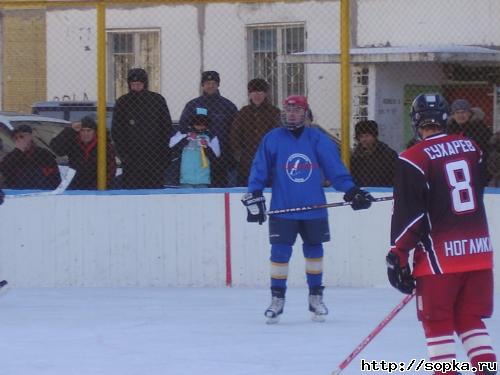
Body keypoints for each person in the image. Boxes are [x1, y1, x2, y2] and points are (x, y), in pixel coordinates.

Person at [386, 93, 496, 375]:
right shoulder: (472, 147)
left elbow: (412, 216)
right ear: (445, 117)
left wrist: (398, 253)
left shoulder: (412, 158)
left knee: (438, 324)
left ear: (416, 121)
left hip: (440, 260)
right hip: (478, 253)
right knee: (470, 319)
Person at [242, 95, 374, 324]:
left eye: (296, 110)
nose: (291, 114)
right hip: (283, 208)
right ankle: (277, 299)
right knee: (279, 253)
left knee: (314, 251)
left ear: (305, 113)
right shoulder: (272, 139)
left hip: (314, 207)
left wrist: (352, 191)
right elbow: (259, 169)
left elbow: (335, 169)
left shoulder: (317, 139)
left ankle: (315, 297)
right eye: (288, 109)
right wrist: (254, 192)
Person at [111, 68, 173, 189]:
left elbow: (166, 129)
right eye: (133, 84)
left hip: (155, 160)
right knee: (132, 194)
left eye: (139, 84)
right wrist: (124, 156)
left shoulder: (157, 100)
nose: (136, 87)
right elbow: (117, 132)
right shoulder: (123, 102)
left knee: (154, 194)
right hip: (132, 162)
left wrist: (164, 157)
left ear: (145, 84)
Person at [179, 71, 237, 187]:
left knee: (219, 189)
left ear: (218, 85)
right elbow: (183, 128)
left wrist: (231, 155)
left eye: (213, 83)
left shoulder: (228, 106)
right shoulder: (192, 105)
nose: (210, 86)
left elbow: (234, 131)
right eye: (207, 83)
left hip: (220, 158)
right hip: (197, 159)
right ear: (202, 85)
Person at [230, 78, 280, 186]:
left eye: (260, 92)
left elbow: (278, 135)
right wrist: (239, 154)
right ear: (250, 94)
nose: (257, 95)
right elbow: (235, 135)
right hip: (247, 161)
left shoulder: (274, 112)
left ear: (265, 94)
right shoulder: (243, 112)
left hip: (269, 160)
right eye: (253, 92)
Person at [50, 115, 117, 189]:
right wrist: (70, 130)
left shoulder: (104, 146)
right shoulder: (73, 143)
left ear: (94, 132)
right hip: (75, 185)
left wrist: (105, 186)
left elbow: (111, 169)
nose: (86, 134)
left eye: (89, 130)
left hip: (98, 186)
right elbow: (56, 149)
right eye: (83, 130)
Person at [169, 107, 221, 187]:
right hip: (185, 178)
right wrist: (186, 139)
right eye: (197, 123)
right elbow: (171, 146)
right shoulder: (183, 133)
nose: (200, 126)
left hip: (203, 178)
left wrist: (206, 147)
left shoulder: (210, 136)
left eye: (203, 124)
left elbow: (216, 155)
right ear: (192, 123)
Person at [0, 125, 61, 189]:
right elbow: (5, 171)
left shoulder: (44, 154)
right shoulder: (12, 155)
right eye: (15, 138)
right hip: (17, 192)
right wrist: (18, 151)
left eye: (22, 136)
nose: (19, 140)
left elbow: (54, 179)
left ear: (30, 136)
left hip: (41, 192)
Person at [447, 99, 493, 184]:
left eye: (463, 112)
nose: (460, 115)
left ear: (469, 113)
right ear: (453, 115)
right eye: (457, 113)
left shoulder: (480, 127)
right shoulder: (449, 129)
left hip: (477, 166)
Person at [350, 120, 398, 187]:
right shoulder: (355, 156)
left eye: (367, 136)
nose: (364, 139)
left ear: (374, 136)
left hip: (385, 189)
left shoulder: (388, 154)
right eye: (361, 136)